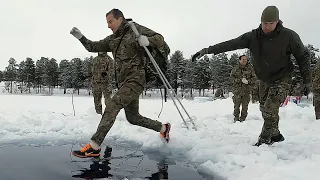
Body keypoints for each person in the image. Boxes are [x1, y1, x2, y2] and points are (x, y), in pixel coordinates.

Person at [192, 6, 311, 146]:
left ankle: (264, 140)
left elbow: (303, 57)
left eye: (270, 23)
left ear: (277, 21)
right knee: (264, 109)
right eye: (264, 23)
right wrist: (208, 50)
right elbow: (232, 43)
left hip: (282, 77)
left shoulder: (289, 36)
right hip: (264, 79)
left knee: (270, 108)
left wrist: (307, 81)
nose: (267, 27)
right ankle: (275, 134)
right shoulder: (253, 37)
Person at [70, 8, 171, 158]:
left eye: (110, 21)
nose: (108, 25)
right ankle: (163, 128)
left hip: (137, 79)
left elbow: (160, 38)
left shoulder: (134, 29)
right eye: (107, 22)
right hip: (124, 83)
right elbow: (93, 47)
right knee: (133, 118)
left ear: (120, 19)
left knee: (112, 104)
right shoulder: (112, 40)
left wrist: (147, 41)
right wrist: (80, 37)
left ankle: (94, 146)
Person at [230, 55, 256, 122]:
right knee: (236, 106)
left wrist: (248, 81)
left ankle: (243, 119)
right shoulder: (235, 68)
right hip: (237, 90)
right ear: (240, 60)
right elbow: (231, 79)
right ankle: (236, 118)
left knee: (245, 106)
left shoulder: (250, 68)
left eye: (246, 59)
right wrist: (240, 80)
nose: (245, 60)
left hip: (246, 90)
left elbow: (254, 78)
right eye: (243, 59)